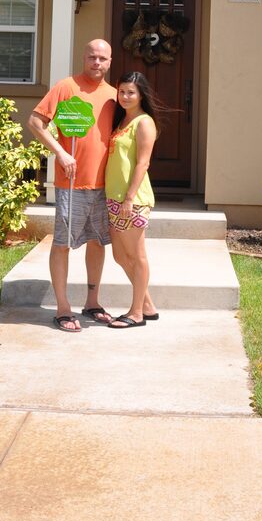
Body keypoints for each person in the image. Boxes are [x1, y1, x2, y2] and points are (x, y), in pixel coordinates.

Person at [28, 39, 116, 333]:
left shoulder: (114, 96)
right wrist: (61, 152)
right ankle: (63, 307)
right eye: (92, 57)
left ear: (110, 61)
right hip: (71, 183)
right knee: (63, 244)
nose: (97, 63)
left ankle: (93, 301)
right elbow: (35, 122)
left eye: (102, 58)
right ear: (84, 57)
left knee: (97, 241)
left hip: (103, 185)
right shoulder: (66, 87)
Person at [104, 71, 160, 329]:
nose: (125, 96)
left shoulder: (144, 122)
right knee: (119, 255)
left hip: (133, 199)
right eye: (122, 91)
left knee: (137, 257)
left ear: (141, 95)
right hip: (114, 196)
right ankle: (147, 305)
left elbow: (143, 162)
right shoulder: (122, 121)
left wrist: (128, 198)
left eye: (131, 92)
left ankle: (137, 313)